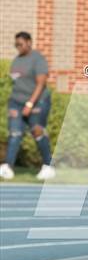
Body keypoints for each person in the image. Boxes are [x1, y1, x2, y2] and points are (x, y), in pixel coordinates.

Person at [0, 32, 55, 181]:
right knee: (14, 133)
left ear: (29, 42)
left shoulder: (38, 59)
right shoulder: (17, 60)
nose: (18, 47)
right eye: (16, 44)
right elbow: (16, 83)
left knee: (37, 132)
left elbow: (41, 83)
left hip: (37, 101)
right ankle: (8, 167)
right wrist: (13, 103)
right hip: (16, 102)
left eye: (20, 44)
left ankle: (48, 166)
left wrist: (30, 104)